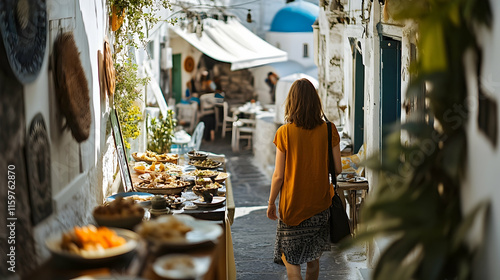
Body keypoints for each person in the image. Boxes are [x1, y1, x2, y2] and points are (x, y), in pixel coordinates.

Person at [267, 78, 342, 280]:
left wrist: (271, 202)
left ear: (292, 102)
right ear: (315, 101)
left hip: (292, 207)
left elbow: (278, 175)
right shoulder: (329, 129)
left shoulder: (284, 132)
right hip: (320, 204)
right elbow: (337, 168)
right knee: (313, 259)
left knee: (291, 262)